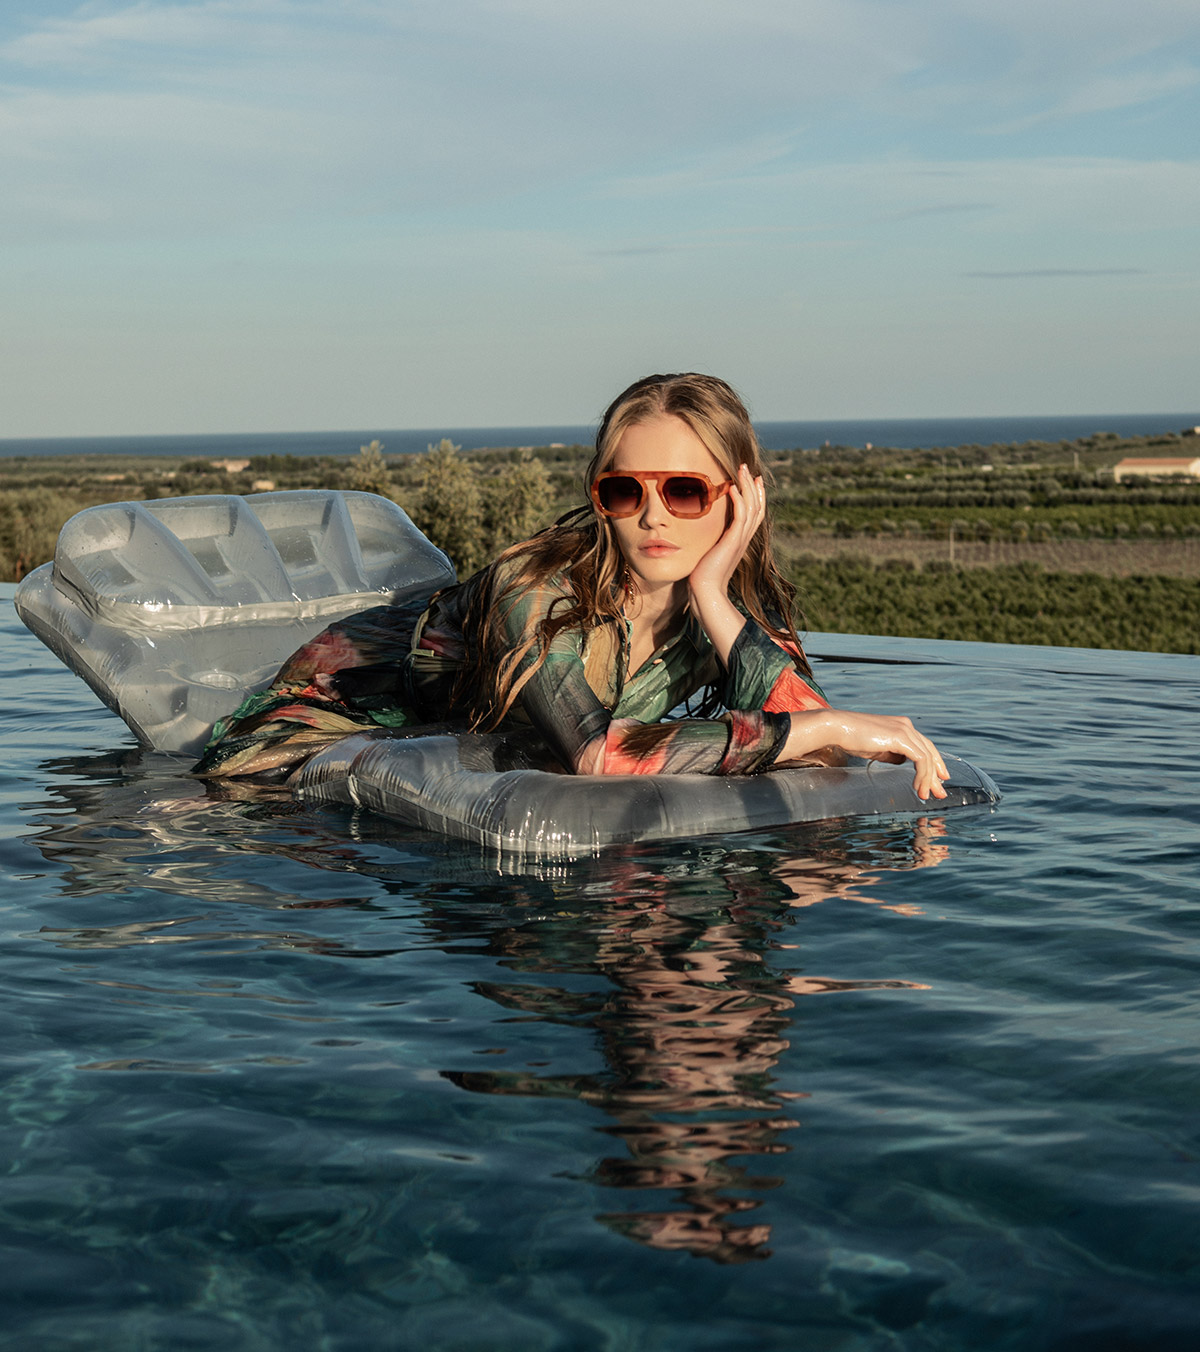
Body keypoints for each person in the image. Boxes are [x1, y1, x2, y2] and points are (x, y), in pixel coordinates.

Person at [195, 372, 948, 799]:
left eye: (685, 490)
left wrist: (716, 599)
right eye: (624, 490)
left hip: (432, 749)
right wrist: (824, 730)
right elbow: (599, 757)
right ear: (598, 496)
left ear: (738, 496)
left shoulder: (722, 602)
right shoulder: (537, 589)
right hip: (294, 754)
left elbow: (820, 736)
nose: (653, 516)